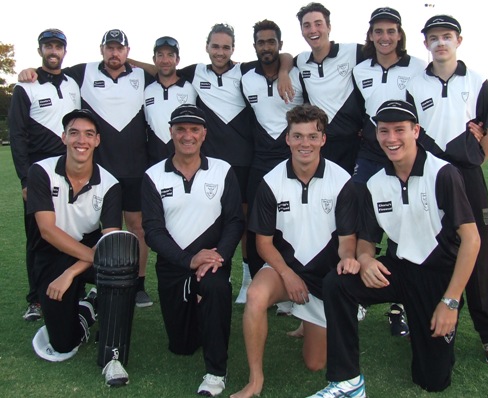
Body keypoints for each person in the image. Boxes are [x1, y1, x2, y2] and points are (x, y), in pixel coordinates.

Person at [308, 100, 481, 397]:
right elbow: (367, 240)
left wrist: (450, 301)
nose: (391, 138)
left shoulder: (443, 173)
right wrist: (364, 258)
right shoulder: (375, 183)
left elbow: (472, 239)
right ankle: (348, 380)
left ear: (416, 131)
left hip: (438, 278)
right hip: (398, 270)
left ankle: (432, 323)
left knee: (432, 380)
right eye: (384, 131)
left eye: (399, 130)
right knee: (338, 283)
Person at [129, 23, 294, 304]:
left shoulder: (244, 71)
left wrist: (283, 72)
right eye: (215, 47)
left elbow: (286, 56)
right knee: (211, 220)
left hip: (243, 160)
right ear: (207, 47)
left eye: (226, 47)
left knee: (243, 222)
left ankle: (248, 278)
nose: (220, 52)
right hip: (210, 163)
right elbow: (160, 69)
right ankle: (214, 271)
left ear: (233, 49)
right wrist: (125, 59)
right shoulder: (196, 72)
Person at [18, 29, 156, 307]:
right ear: (101, 49)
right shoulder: (83, 72)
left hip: (133, 168)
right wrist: (30, 70)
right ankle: (82, 281)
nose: (114, 53)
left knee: (137, 228)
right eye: (109, 48)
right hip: (99, 171)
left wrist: (136, 63)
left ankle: (138, 284)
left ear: (128, 51)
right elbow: (51, 70)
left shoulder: (142, 75)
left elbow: (166, 69)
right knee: (91, 228)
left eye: (120, 48)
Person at [231, 104, 359, 398]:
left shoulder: (342, 181)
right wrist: (287, 274)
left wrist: (347, 262)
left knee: (315, 364)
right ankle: (255, 379)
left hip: (324, 276)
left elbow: (347, 239)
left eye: (312, 136)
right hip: (283, 269)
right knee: (255, 296)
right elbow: (261, 243)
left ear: (323, 139)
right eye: (297, 136)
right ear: (287, 138)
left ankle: (311, 316)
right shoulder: (270, 182)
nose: (305, 143)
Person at [406, 15, 488, 365]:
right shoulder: (415, 84)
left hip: (467, 177)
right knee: (431, 246)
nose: (440, 43)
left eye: (447, 36)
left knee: (477, 255)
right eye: (434, 38)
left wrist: (472, 161)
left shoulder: (478, 81)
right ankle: (427, 317)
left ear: (458, 41)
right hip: (431, 176)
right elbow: (410, 132)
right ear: (426, 45)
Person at [142, 104, 244, 397]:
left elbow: (235, 221)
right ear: (170, 132)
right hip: (174, 267)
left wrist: (217, 257)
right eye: (181, 129)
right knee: (182, 346)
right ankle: (204, 317)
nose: (188, 136)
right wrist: (189, 260)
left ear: (204, 134)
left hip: (213, 262)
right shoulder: (153, 176)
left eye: (194, 129)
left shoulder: (223, 170)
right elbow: (153, 231)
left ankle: (215, 373)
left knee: (215, 289)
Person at [27, 109, 131, 385]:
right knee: (63, 344)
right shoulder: (41, 172)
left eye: (88, 134)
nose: (80, 140)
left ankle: (112, 352)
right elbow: (48, 230)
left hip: (86, 252)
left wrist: (71, 273)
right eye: (74, 133)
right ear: (63, 137)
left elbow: (109, 243)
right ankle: (88, 307)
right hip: (50, 254)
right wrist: (85, 261)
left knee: (118, 273)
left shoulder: (110, 184)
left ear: (97, 140)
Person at [352, 6, 426, 337]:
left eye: (391, 31)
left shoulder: (418, 68)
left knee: (406, 222)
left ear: (400, 34)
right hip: (369, 155)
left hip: (406, 156)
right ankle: (360, 292)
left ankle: (400, 305)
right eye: (378, 31)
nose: (384, 37)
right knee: (363, 220)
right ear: (370, 35)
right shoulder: (360, 69)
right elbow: (355, 110)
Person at [9, 28, 81, 321]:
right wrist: (25, 179)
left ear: (65, 51)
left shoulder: (74, 84)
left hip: (72, 172)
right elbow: (17, 135)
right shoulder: (26, 87)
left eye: (58, 46)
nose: (53, 51)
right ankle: (35, 299)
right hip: (39, 175)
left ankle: (70, 288)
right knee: (38, 236)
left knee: (70, 231)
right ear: (40, 50)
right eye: (48, 46)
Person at [239, 19, 307, 305]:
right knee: (255, 224)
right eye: (261, 42)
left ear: (280, 44)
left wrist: (284, 70)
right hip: (260, 162)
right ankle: (252, 281)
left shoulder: (298, 70)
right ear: (254, 46)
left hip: (293, 160)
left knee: (293, 223)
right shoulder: (244, 75)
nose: (266, 47)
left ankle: (292, 285)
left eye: (271, 42)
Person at [294, 2, 365, 174]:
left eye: (318, 24)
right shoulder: (300, 61)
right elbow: (285, 59)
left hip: (353, 143)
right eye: (307, 25)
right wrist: (282, 72)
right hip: (322, 144)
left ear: (329, 27)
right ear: (302, 31)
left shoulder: (354, 52)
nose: (313, 30)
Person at [144, 36, 197, 165]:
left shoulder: (191, 88)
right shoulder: (146, 90)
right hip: (154, 160)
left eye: (170, 55)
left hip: (186, 159)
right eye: (160, 55)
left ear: (177, 60)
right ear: (154, 60)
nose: (165, 60)